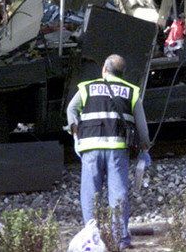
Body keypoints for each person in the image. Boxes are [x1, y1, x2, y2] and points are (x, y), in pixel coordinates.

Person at [67, 54, 150, 250]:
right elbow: (142, 126)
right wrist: (144, 149)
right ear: (122, 74)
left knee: (90, 194)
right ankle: (120, 239)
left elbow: (72, 109)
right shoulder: (132, 91)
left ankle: (91, 237)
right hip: (117, 150)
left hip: (90, 148)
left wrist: (76, 135)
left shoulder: (86, 87)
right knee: (118, 194)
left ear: (104, 69)